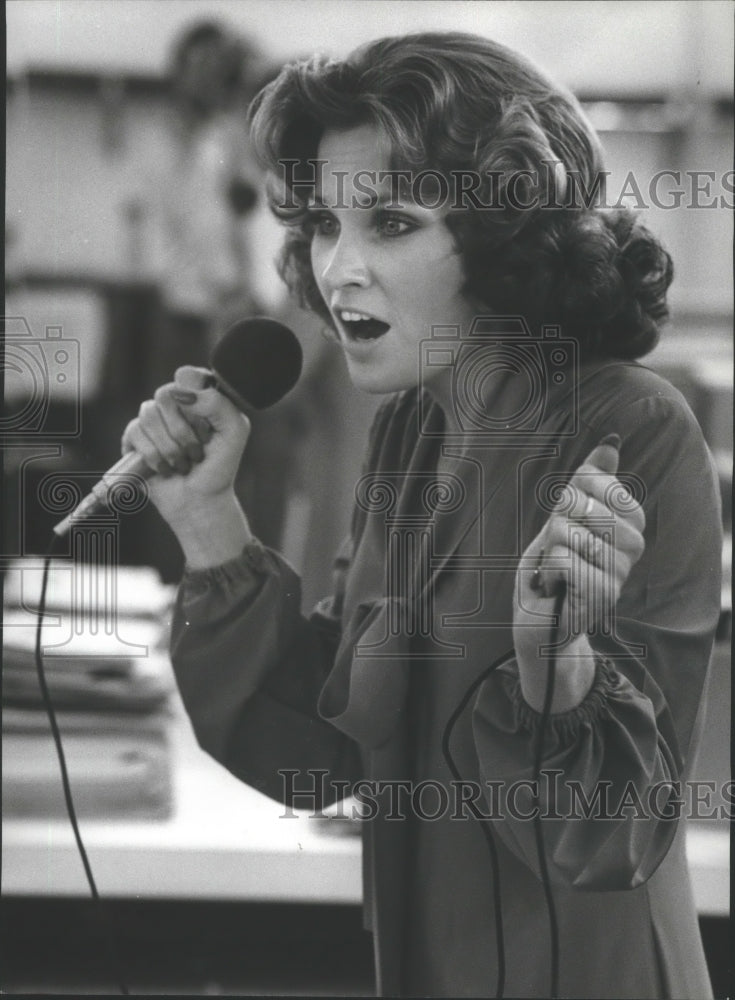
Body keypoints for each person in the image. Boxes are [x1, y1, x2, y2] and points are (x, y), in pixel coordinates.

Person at [121, 33, 722, 999]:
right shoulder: (410, 428)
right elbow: (327, 743)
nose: (336, 268)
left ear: (504, 240)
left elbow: (620, 826)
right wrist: (209, 527)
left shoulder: (631, 428)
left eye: (390, 223)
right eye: (323, 223)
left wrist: (557, 670)